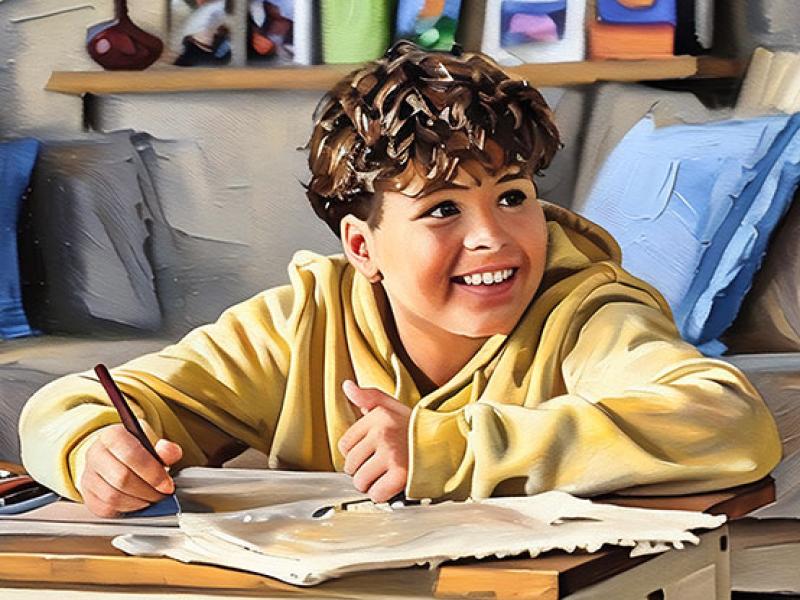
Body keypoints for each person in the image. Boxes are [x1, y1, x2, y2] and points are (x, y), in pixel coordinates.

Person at [19, 42, 781, 517]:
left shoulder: (587, 312)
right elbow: (78, 401)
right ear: (362, 245)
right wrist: (94, 448)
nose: (494, 235)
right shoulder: (301, 325)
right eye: (442, 208)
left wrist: (445, 448)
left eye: (512, 196)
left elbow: (727, 422)